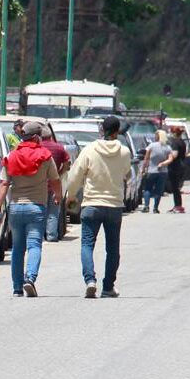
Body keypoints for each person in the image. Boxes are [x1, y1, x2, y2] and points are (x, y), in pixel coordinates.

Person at [65, 116, 132, 298]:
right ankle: (108, 286)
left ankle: (90, 280)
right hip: (114, 205)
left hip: (91, 204)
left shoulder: (89, 150)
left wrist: (71, 196)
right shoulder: (124, 152)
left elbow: (74, 177)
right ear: (117, 132)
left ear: (102, 130)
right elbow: (128, 174)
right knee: (112, 248)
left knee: (87, 244)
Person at [0, 121, 61, 298]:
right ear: (37, 137)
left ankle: (17, 288)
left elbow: (4, 184)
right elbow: (55, 180)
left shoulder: (11, 156)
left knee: (17, 248)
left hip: (16, 208)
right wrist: (58, 196)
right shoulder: (45, 156)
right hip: (36, 208)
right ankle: (29, 279)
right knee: (34, 245)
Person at [40, 126, 70, 242]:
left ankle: (40, 236)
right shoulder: (59, 147)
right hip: (55, 183)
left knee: (41, 211)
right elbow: (67, 164)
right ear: (50, 136)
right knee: (53, 211)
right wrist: (58, 173)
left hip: (40, 185)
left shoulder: (38, 148)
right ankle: (51, 236)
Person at [140, 130, 173, 213]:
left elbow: (146, 159)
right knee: (159, 190)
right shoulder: (168, 147)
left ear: (158, 136)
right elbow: (170, 159)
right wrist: (162, 163)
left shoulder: (151, 146)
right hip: (163, 172)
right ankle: (155, 208)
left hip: (152, 171)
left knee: (147, 188)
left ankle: (146, 206)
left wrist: (143, 169)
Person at [167, 125, 188, 213]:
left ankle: (178, 206)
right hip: (181, 165)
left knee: (175, 187)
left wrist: (168, 155)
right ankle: (177, 205)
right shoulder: (182, 141)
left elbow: (175, 154)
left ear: (174, 133)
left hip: (175, 166)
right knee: (176, 187)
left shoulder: (174, 142)